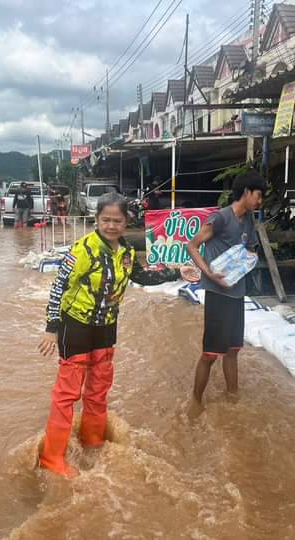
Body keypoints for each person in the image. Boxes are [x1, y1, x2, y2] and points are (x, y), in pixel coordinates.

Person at [37, 192, 198, 478]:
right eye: (106, 220)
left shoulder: (126, 251)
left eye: (117, 221)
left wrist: (177, 272)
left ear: (126, 222)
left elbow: (142, 276)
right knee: (67, 394)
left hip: (106, 327)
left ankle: (92, 439)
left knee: (98, 389)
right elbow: (58, 287)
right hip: (75, 326)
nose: (111, 226)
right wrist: (52, 328)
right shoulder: (83, 249)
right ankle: (52, 458)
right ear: (97, 220)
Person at [186, 171, 264, 408]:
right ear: (247, 192)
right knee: (210, 354)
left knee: (233, 350)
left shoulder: (248, 220)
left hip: (237, 293)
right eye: (258, 195)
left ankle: (233, 397)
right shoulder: (220, 218)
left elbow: (250, 249)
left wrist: (250, 257)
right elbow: (192, 246)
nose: (260, 201)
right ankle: (196, 402)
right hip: (218, 294)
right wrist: (208, 274)